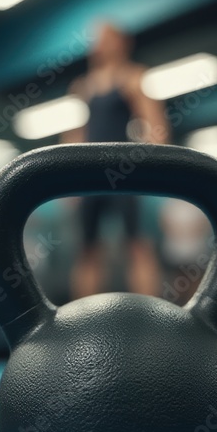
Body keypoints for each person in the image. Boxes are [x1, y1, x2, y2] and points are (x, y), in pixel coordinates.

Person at [63, 23, 170, 298]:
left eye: (104, 38)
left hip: (124, 173)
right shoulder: (83, 85)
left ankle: (152, 319)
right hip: (89, 175)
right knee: (87, 249)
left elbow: (155, 124)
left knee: (136, 245)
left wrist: (152, 166)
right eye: (95, 39)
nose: (97, 43)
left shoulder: (132, 76)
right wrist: (67, 180)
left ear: (120, 43)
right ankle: (81, 321)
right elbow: (75, 133)